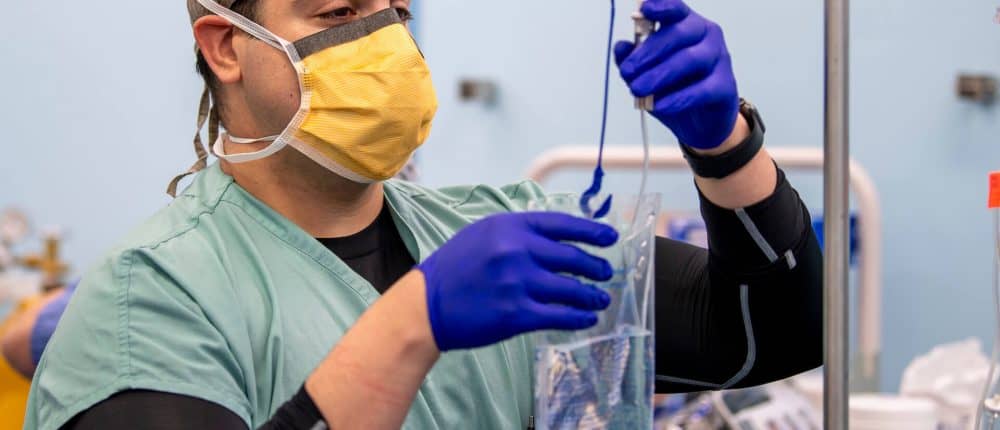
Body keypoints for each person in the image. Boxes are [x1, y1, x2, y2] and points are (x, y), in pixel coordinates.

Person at [25, 0, 823, 428]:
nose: (383, 47)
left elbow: (779, 333)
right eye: (339, 15)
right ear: (225, 46)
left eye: (395, 14)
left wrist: (725, 146)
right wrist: (411, 326)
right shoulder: (151, 304)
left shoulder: (504, 241)